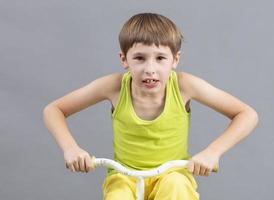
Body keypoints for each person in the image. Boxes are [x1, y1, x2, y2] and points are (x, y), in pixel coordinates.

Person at [43, 13, 258, 200]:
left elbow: (247, 114)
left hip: (173, 175)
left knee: (177, 188)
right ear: (124, 59)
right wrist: (71, 149)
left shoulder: (184, 86)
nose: (150, 69)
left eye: (160, 58)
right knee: (118, 195)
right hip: (124, 176)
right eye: (139, 58)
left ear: (175, 59)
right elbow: (54, 110)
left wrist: (213, 152)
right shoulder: (114, 87)